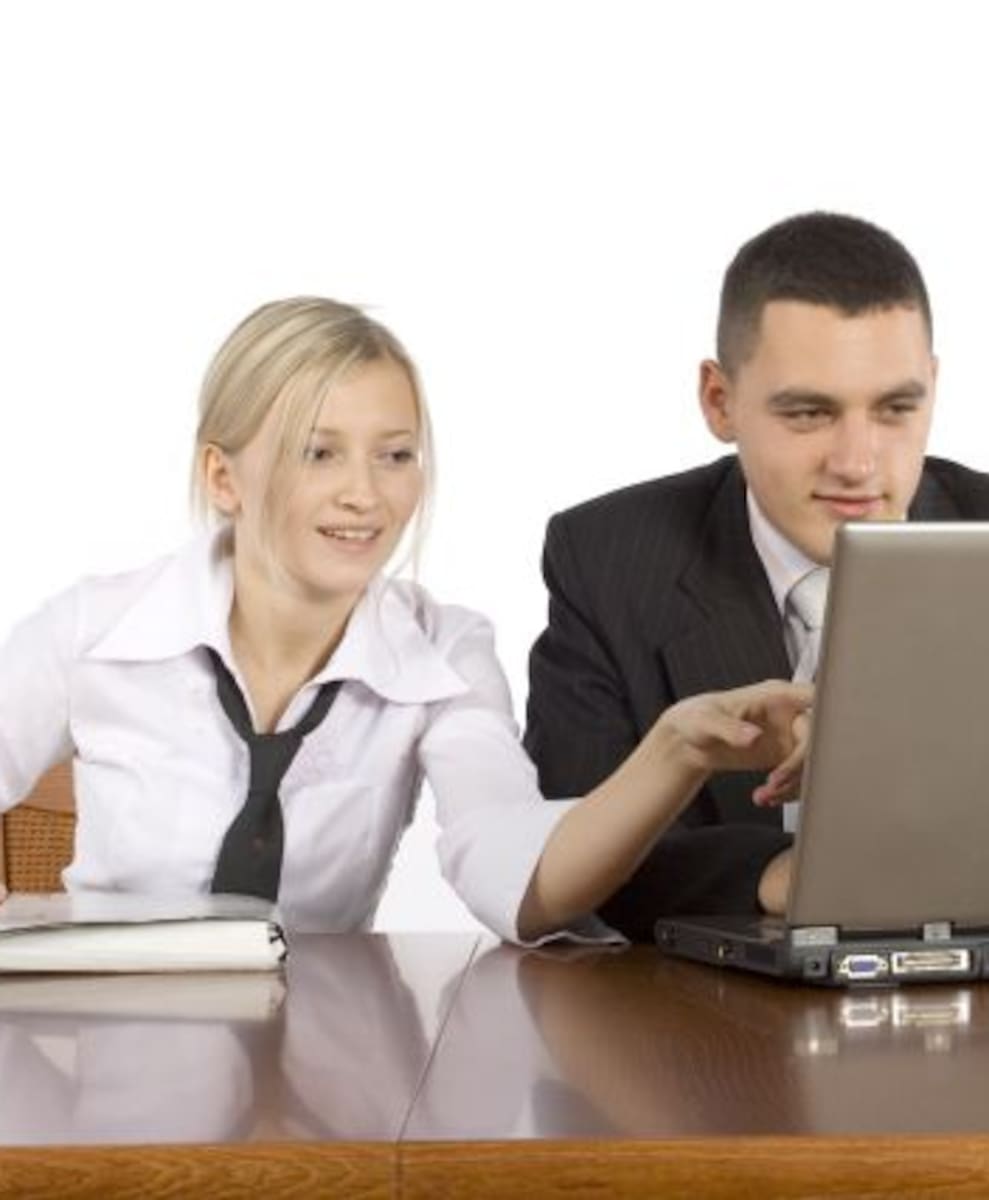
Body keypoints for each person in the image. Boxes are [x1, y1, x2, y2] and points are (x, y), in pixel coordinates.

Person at [0, 297, 812, 942]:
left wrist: (675, 749)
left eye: (395, 455)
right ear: (223, 477)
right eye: (318, 453)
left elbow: (514, 874)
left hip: (310, 1057)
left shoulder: (443, 653)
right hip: (103, 1049)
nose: (366, 494)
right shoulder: (93, 629)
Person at [524, 212, 989, 940]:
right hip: (708, 1006)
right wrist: (794, 879)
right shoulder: (605, 557)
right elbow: (574, 849)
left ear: (933, 387)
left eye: (895, 409)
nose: (857, 463)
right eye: (810, 413)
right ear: (720, 401)